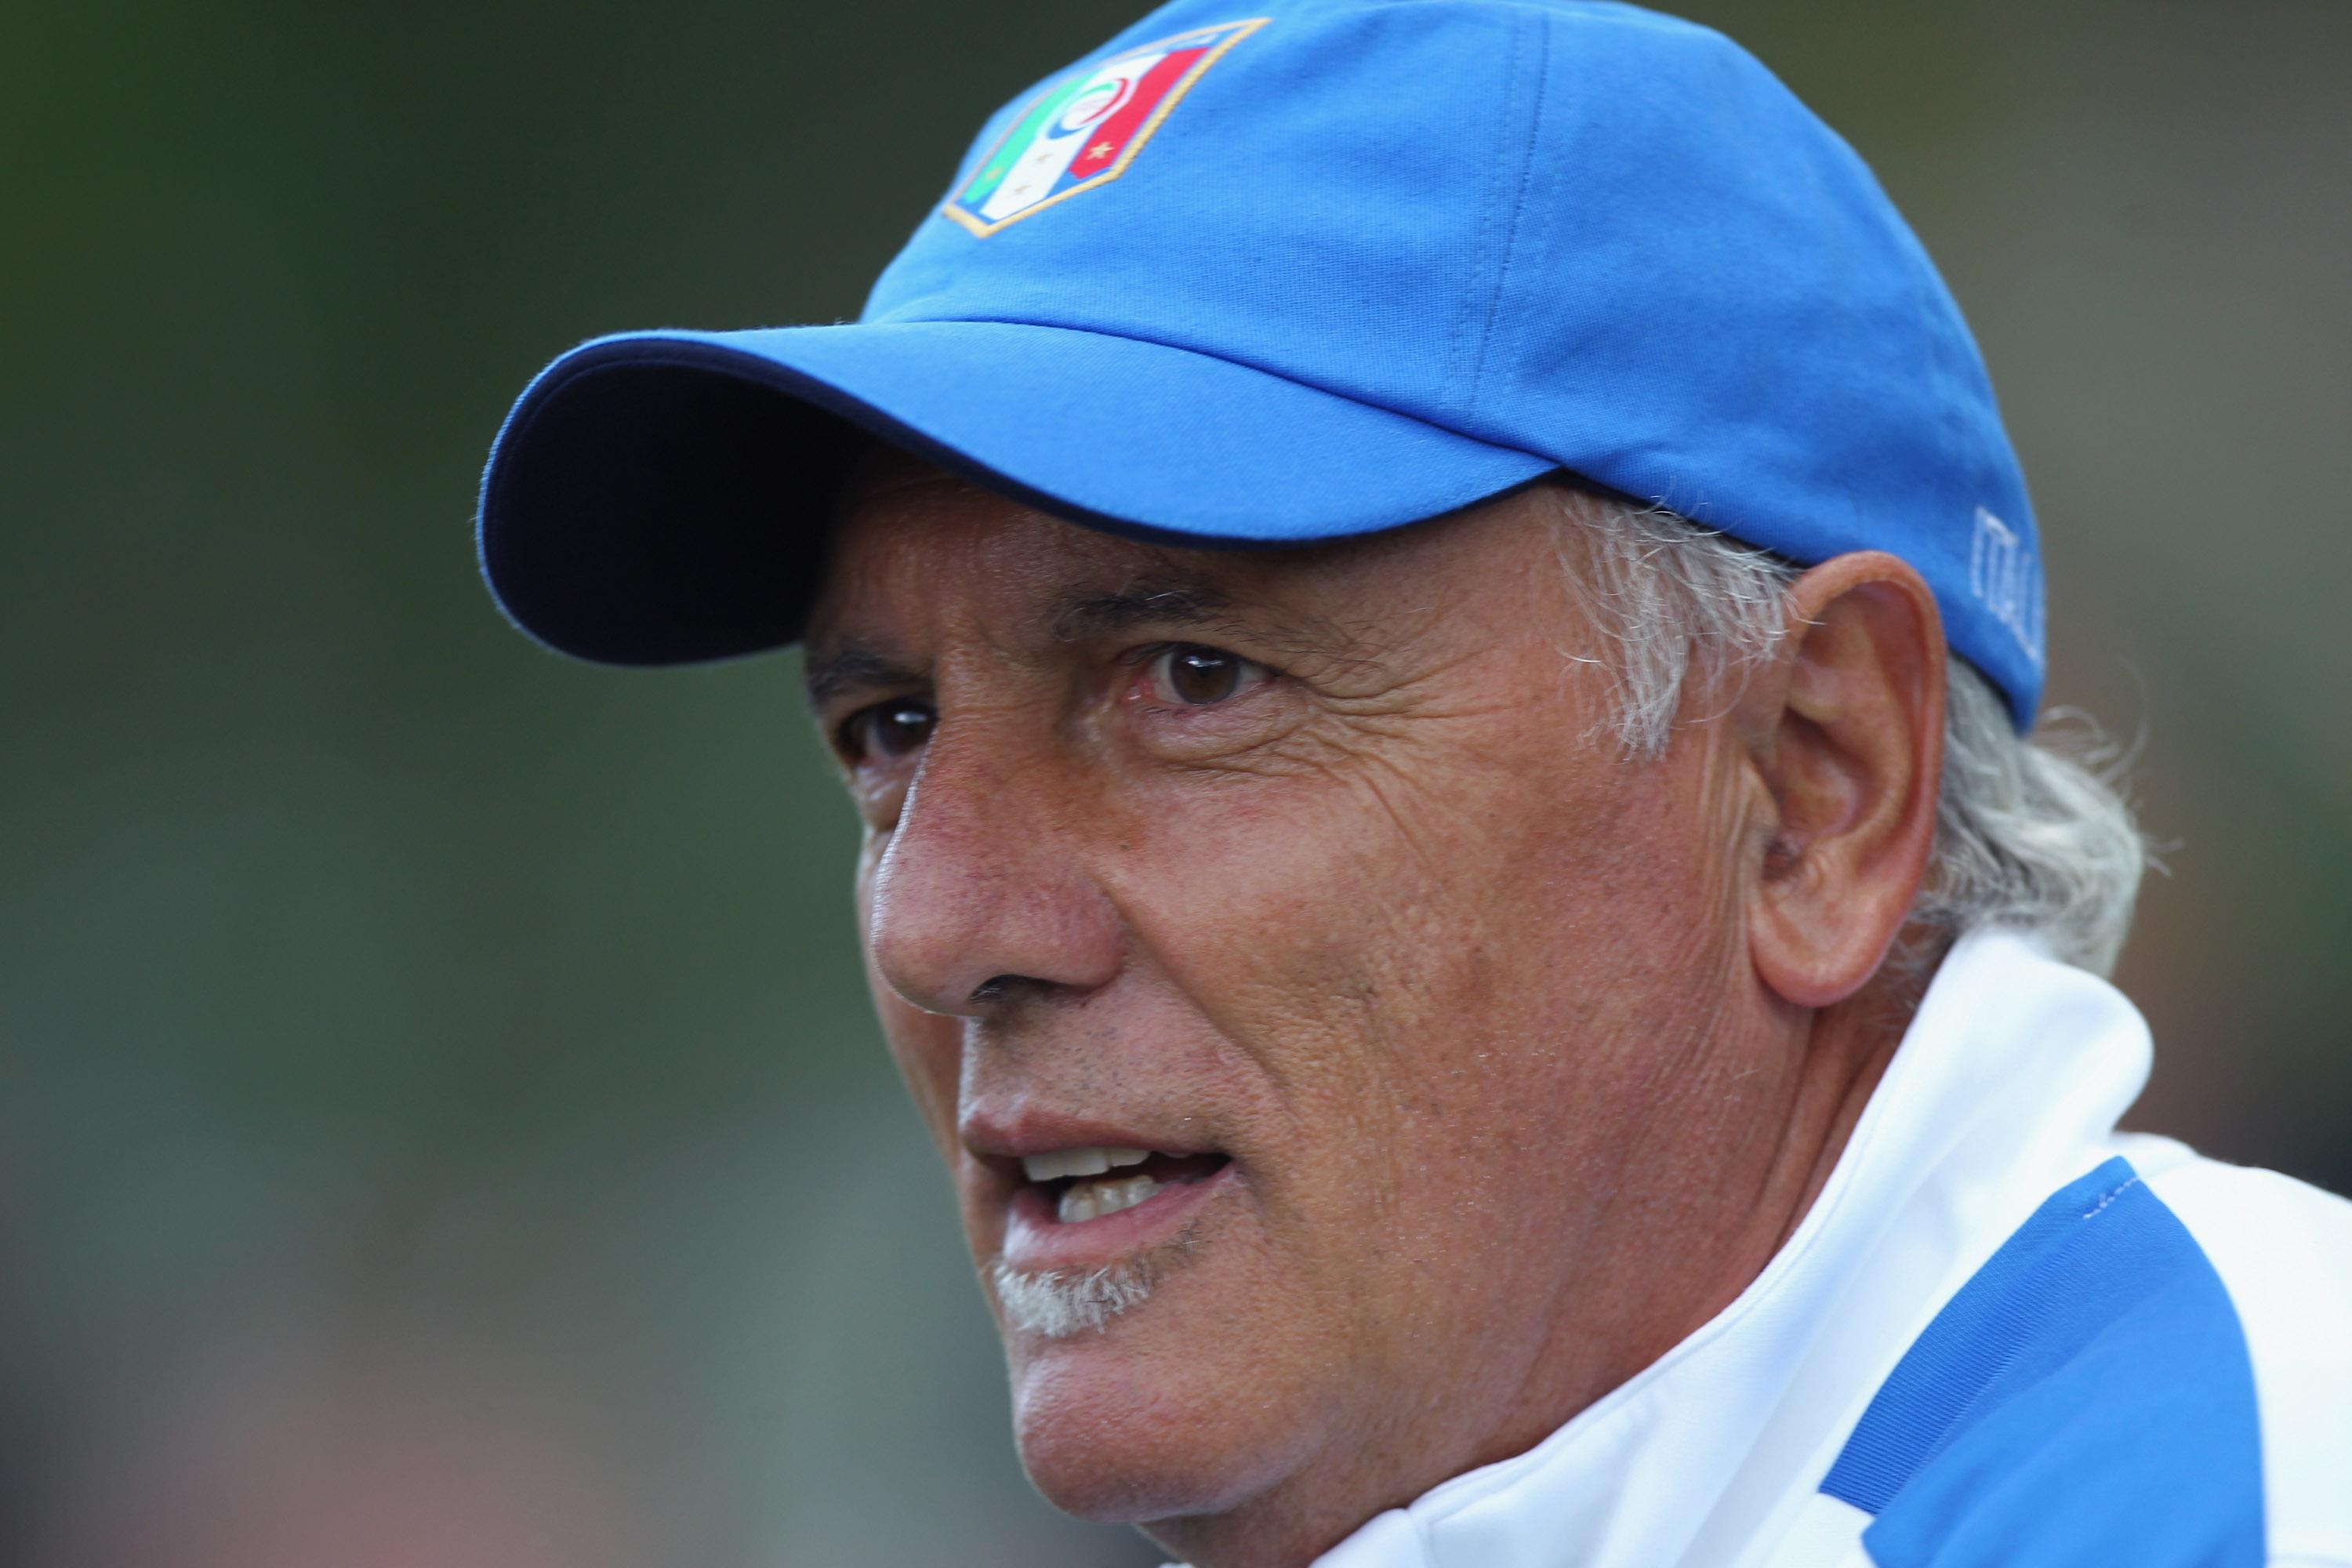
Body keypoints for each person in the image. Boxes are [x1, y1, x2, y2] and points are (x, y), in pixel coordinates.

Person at [472, 2, 2352, 1563]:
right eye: (889, 729)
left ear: (1811, 788)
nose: (944, 922)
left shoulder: (2248, 1483)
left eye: (1189, 679)